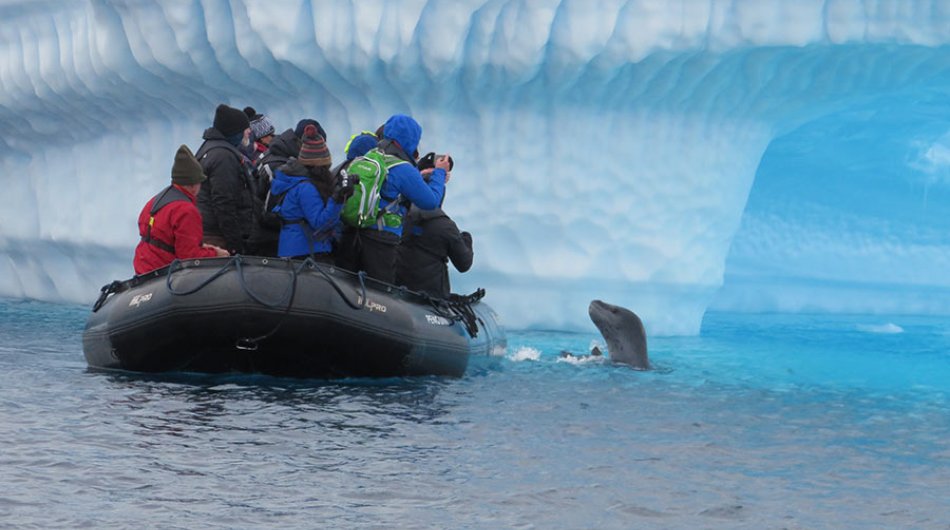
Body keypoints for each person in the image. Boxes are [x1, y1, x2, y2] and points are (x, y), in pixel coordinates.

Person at [335, 114, 449, 283]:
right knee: (379, 293)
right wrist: (439, 173)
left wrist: (419, 174)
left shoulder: (370, 155)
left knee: (347, 285)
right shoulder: (402, 168)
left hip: (352, 231)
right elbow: (429, 202)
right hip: (380, 240)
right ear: (411, 140)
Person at [133, 145, 229, 274]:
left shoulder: (156, 200)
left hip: (143, 268)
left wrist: (204, 247)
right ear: (193, 185)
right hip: (163, 274)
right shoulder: (186, 210)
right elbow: (189, 256)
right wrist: (217, 254)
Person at [271, 125, 352, 263]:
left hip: (295, 249)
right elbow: (320, 223)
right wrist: (337, 199)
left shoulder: (298, 182)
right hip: (306, 252)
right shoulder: (306, 189)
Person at [395, 153, 472, 298]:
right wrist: (467, 239)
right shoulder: (444, 226)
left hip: (393, 294)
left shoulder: (396, 213)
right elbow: (464, 264)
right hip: (431, 298)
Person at [247, 118, 327, 256]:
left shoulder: (276, 155)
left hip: (272, 238)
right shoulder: (280, 167)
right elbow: (268, 212)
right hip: (269, 241)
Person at [195, 104, 257, 255]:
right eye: (245, 128)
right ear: (234, 132)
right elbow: (224, 202)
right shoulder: (224, 157)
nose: (249, 131)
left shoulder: (210, 148)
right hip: (217, 238)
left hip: (209, 231)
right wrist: (235, 245)